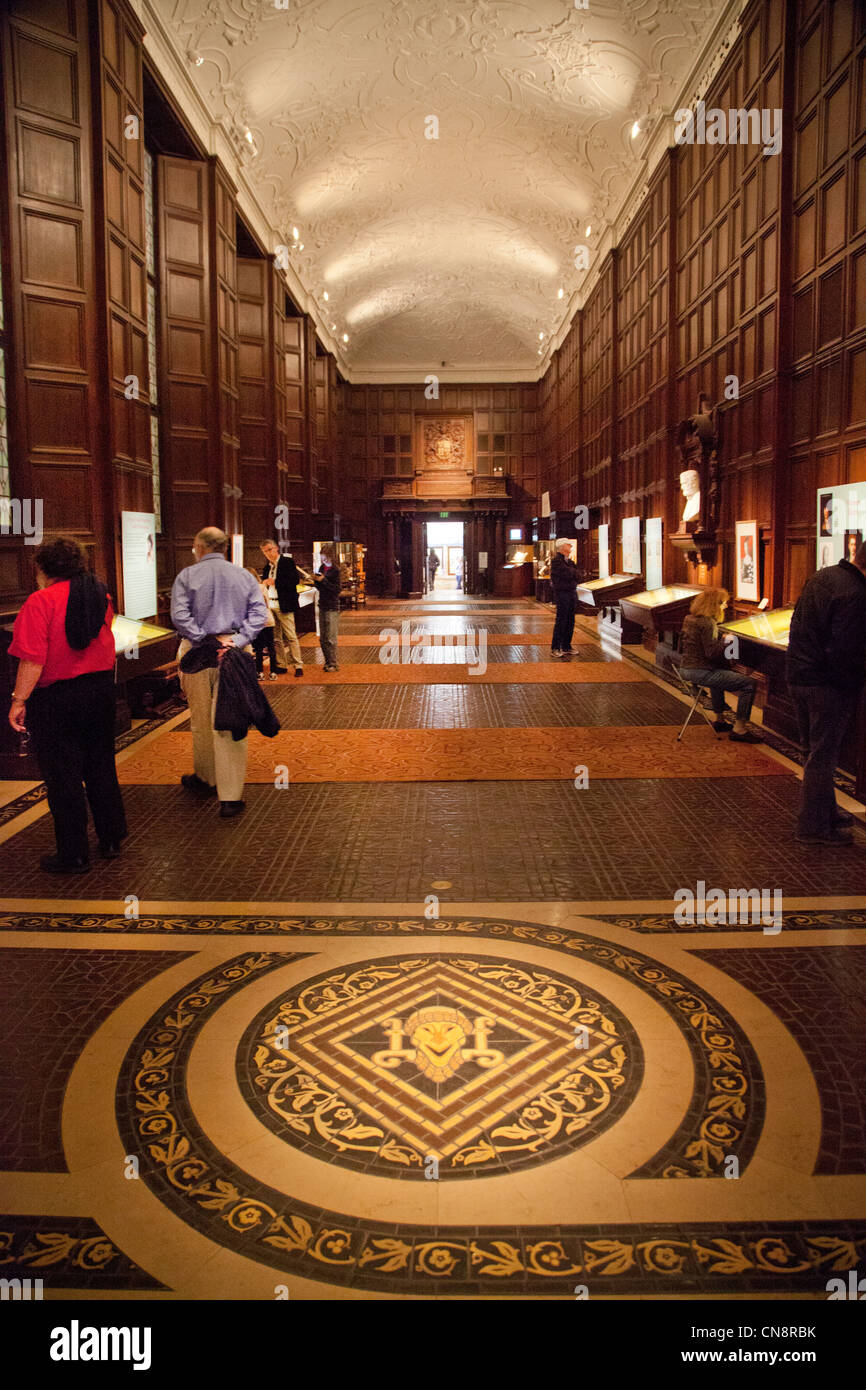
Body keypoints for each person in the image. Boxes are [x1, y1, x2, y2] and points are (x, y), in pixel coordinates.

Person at [7, 536, 127, 873]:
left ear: (43, 568)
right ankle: (111, 838)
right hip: (101, 691)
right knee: (101, 765)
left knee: (63, 775)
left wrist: (19, 700)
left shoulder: (40, 602)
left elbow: (32, 660)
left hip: (58, 699)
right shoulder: (99, 594)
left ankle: (73, 853)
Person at [171, 527, 268, 818]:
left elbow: (179, 616)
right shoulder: (244, 577)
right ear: (224, 548)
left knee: (200, 720)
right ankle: (231, 796)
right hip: (237, 654)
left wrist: (206, 640)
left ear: (199, 547)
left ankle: (206, 778)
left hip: (197, 653)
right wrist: (236, 642)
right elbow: (259, 615)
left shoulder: (187, 577)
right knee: (231, 720)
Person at [786, 539, 866, 846]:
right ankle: (813, 827)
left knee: (813, 751)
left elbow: (798, 623)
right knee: (823, 756)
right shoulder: (857, 594)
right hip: (826, 685)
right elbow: (844, 650)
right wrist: (850, 686)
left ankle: (826, 812)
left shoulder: (825, 575)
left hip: (799, 676)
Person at [679, 588, 760, 742]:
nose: (725, 607)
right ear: (714, 605)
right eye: (723, 603)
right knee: (749, 683)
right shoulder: (708, 623)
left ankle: (720, 720)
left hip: (685, 668)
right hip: (699, 671)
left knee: (719, 674)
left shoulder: (689, 618)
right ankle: (740, 729)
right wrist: (726, 639)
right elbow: (711, 653)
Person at [260, 539, 307, 678]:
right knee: (276, 638)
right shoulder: (267, 567)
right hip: (271, 605)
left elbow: (294, 581)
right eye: (265, 551)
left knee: (291, 636)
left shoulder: (287, 562)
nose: (268, 553)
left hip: (285, 604)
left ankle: (298, 665)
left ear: (276, 549)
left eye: (269, 550)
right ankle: (281, 664)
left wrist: (275, 582)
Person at [313, 546, 341, 672]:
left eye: (325, 557)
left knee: (331, 637)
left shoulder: (336, 571)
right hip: (322, 604)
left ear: (330, 556)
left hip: (332, 606)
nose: (323, 559)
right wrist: (316, 581)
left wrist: (323, 580)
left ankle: (333, 663)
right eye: (321, 557)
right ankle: (327, 661)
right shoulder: (321, 568)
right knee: (323, 637)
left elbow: (336, 590)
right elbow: (321, 588)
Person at [247, 567, 278, 679]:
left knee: (258, 648)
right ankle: (273, 672)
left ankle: (259, 672)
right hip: (267, 619)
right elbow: (267, 603)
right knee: (271, 647)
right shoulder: (262, 587)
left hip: (256, 621)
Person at [550, 538, 578, 657]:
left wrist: (571, 573)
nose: (570, 547)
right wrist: (571, 573)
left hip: (571, 593)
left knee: (570, 620)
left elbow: (577, 575)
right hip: (562, 594)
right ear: (562, 547)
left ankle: (566, 646)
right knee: (561, 620)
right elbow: (567, 574)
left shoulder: (570, 562)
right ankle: (555, 647)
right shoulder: (556, 561)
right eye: (568, 545)